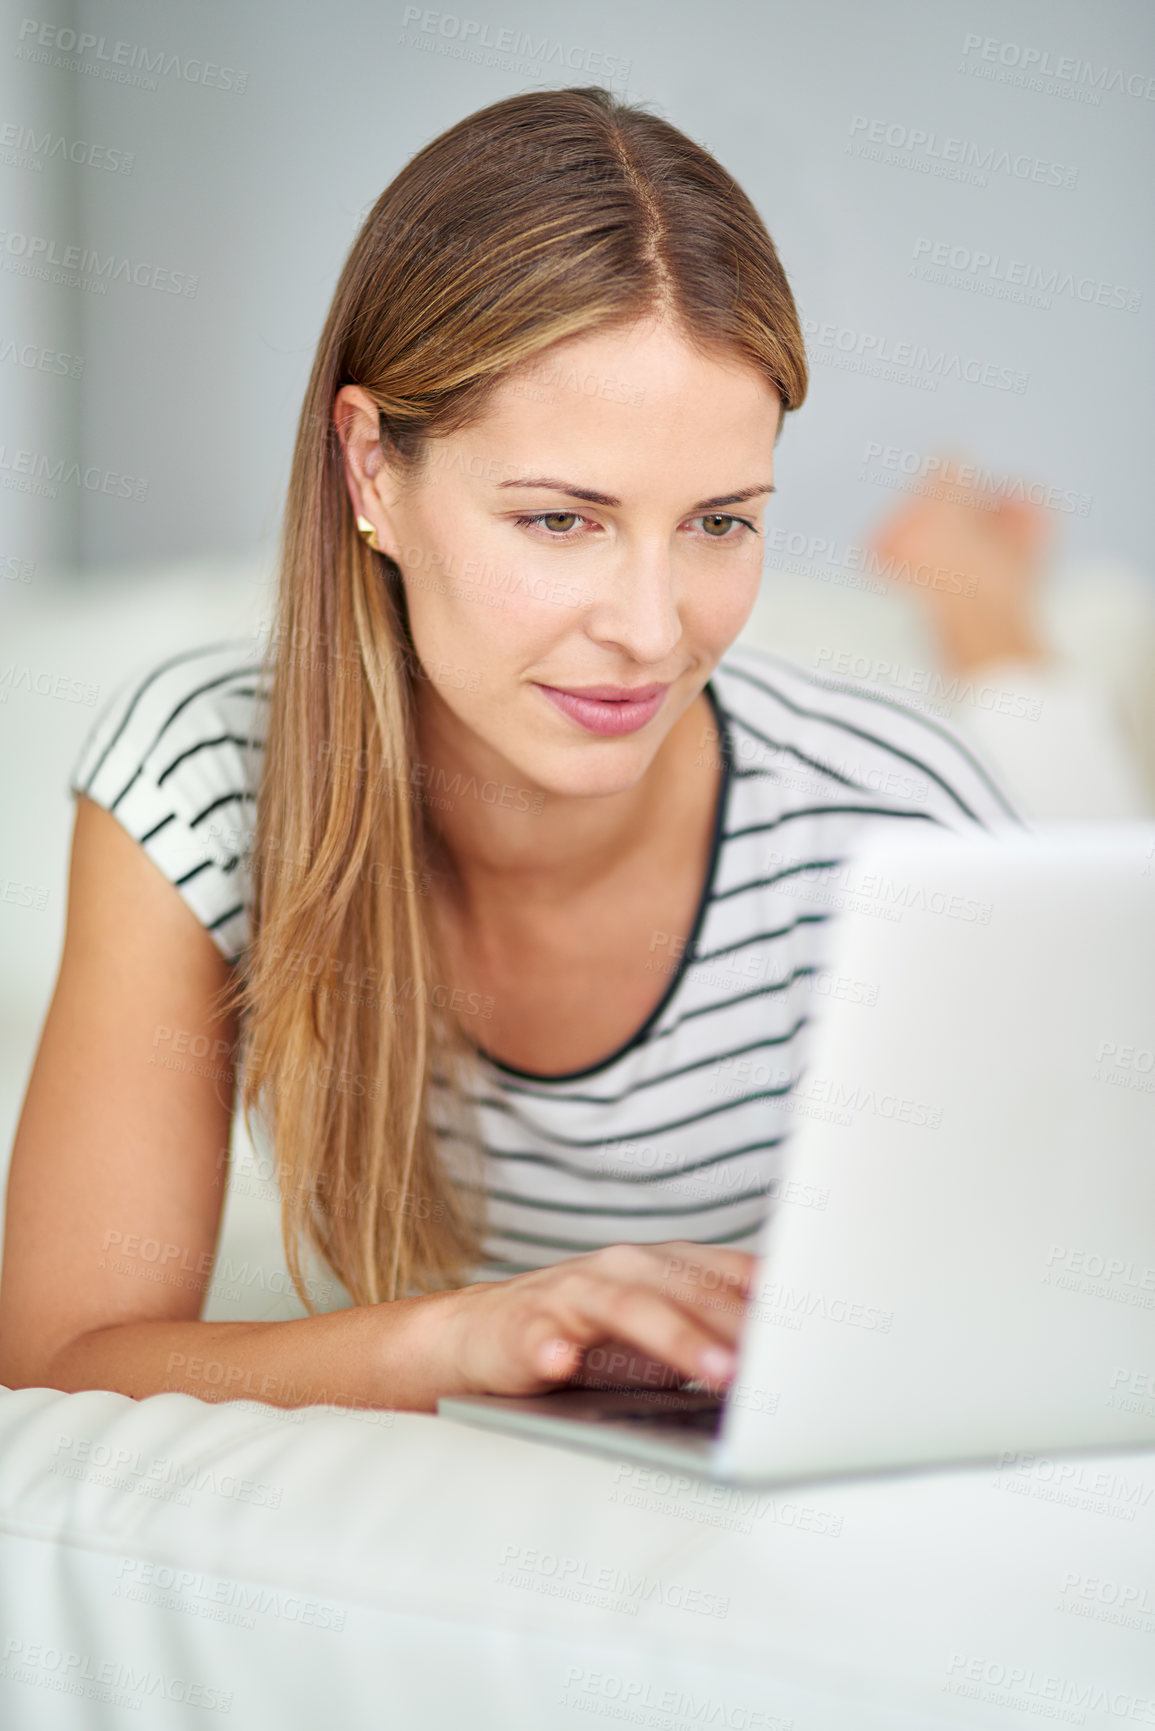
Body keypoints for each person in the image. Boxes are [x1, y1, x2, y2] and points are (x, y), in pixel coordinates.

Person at [0, 86, 1019, 1415]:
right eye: (560, 521)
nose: (651, 633)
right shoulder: (199, 783)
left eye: (720, 523)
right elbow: (59, 1356)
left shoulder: (907, 823)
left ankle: (991, 607)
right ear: (371, 469)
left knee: (1056, 759)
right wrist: (458, 1340)